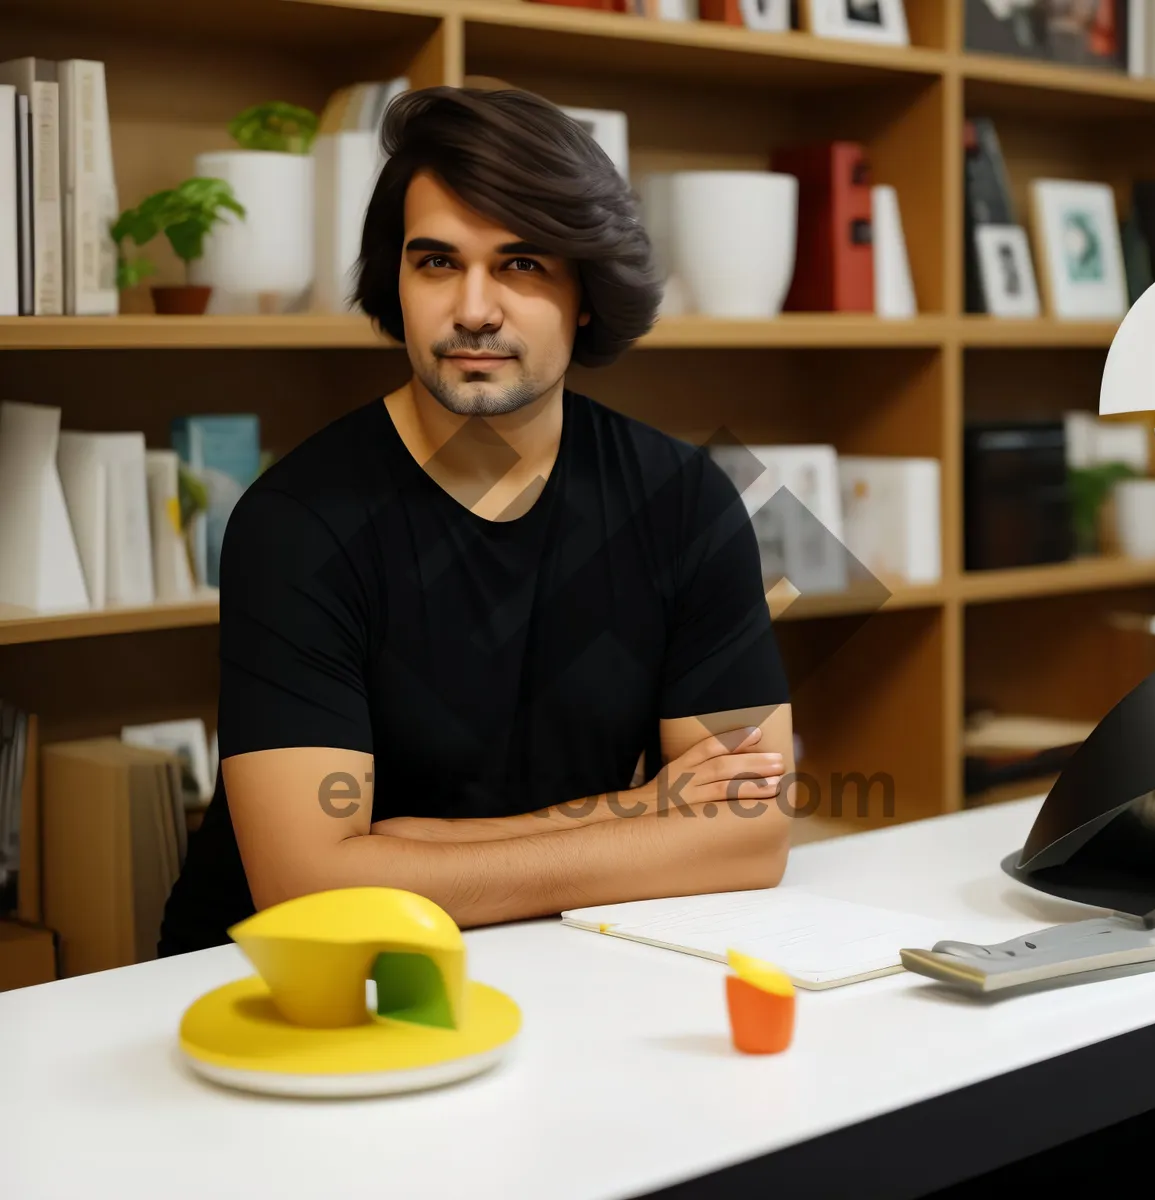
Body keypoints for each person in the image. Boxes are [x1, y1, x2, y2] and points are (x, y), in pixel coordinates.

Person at [157, 85, 796, 956]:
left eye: (523, 264)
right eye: (437, 262)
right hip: (285, 986)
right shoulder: (296, 520)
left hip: (550, 959)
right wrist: (636, 814)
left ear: (585, 292)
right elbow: (306, 886)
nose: (474, 308)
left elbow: (751, 834)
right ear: (399, 279)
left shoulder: (683, 501)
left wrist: (409, 847)